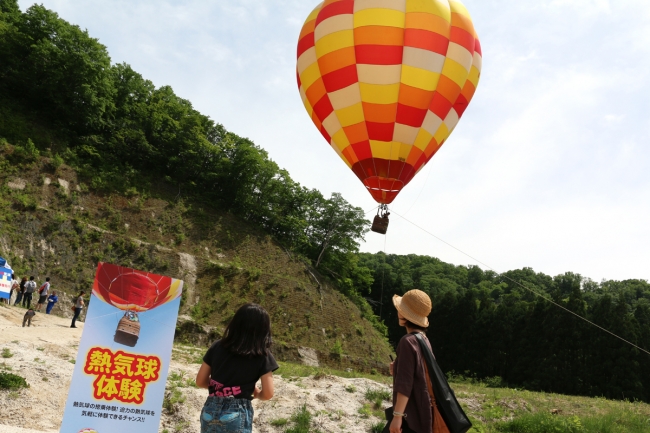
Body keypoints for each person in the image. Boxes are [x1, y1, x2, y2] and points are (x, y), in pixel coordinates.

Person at [195, 303, 277, 433]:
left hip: (210, 409)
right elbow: (268, 393)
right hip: (236, 412)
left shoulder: (217, 346)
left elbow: (200, 381)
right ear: (264, 330)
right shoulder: (262, 354)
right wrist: (257, 393)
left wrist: (220, 388)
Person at [389, 289, 434, 433]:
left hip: (410, 417)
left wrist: (397, 416)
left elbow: (405, 384)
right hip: (424, 413)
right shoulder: (424, 340)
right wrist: (397, 369)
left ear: (403, 314)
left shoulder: (407, 342)